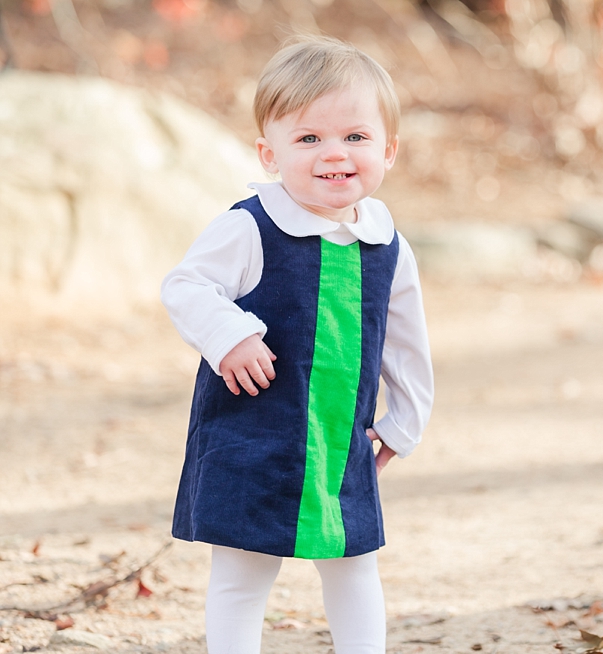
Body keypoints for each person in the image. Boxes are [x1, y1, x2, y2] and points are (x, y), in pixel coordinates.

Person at [160, 35, 434, 654]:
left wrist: (404, 425)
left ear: (388, 150)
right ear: (269, 152)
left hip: (339, 439)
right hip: (251, 436)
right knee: (242, 572)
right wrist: (230, 335)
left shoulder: (387, 246)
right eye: (309, 138)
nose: (333, 154)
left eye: (355, 138)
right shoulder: (250, 227)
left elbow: (407, 344)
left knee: (352, 561)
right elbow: (185, 286)